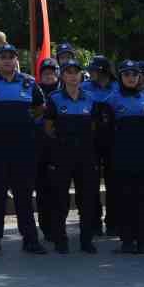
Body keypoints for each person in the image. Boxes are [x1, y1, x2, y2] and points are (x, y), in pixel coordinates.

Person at [0, 45, 47, 253]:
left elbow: (41, 107)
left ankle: (30, 240)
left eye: (10, 57)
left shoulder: (29, 82)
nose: (6, 61)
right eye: (2, 57)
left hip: (22, 149)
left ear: (16, 59)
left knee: (23, 196)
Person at [98, 62, 144, 254]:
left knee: (143, 199)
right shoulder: (111, 100)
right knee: (124, 200)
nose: (131, 78)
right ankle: (127, 241)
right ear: (120, 77)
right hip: (121, 157)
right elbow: (105, 132)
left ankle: (143, 240)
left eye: (134, 74)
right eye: (126, 74)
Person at [41, 60, 99, 254]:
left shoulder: (90, 99)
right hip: (62, 155)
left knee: (87, 199)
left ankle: (86, 240)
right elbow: (48, 127)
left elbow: (94, 126)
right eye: (68, 72)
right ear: (63, 76)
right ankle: (60, 239)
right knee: (59, 199)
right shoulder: (55, 98)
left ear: (81, 75)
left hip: (85, 156)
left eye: (76, 72)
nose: (73, 76)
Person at [80, 56, 117, 238]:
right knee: (90, 183)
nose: (91, 72)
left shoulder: (118, 87)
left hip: (113, 138)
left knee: (114, 182)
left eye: (95, 69)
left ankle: (113, 222)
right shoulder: (85, 87)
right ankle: (93, 222)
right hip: (91, 138)